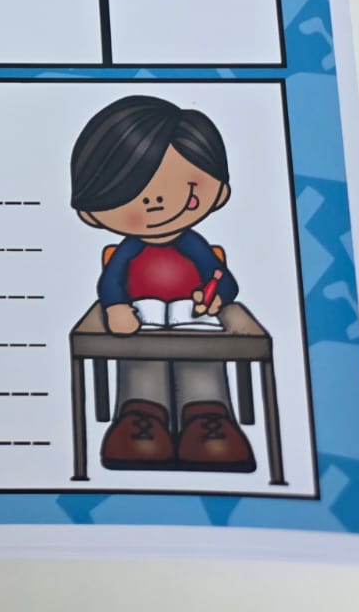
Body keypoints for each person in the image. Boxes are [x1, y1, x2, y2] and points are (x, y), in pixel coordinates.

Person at [70, 94, 255, 473]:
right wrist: (116, 308)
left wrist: (216, 298)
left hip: (194, 318)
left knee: (202, 363)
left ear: (218, 191)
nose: (155, 201)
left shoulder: (195, 245)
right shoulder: (127, 250)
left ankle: (208, 415)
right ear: (93, 209)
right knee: (141, 363)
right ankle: (140, 414)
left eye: (183, 186)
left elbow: (222, 279)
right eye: (132, 191)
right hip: (142, 319)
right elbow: (111, 284)